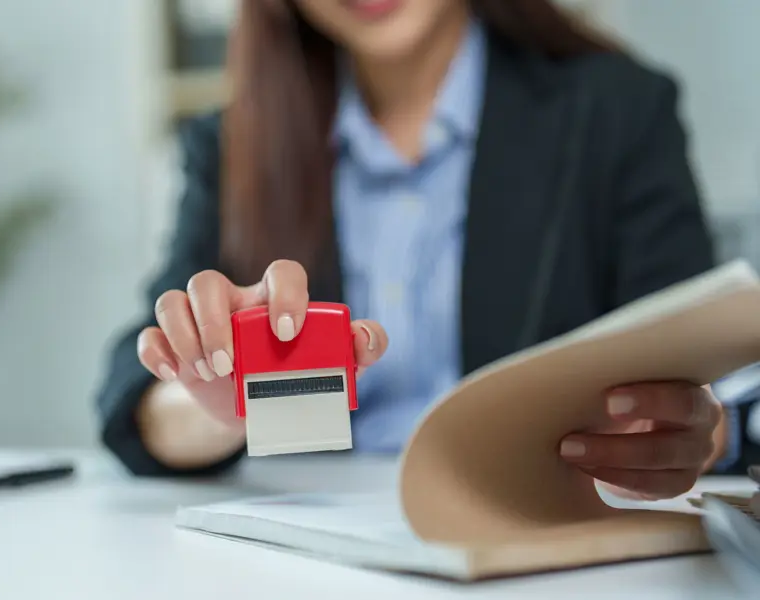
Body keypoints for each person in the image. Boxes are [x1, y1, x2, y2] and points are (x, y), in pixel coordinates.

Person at [96, 0, 743, 499]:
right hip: (306, 545)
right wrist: (223, 404)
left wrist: (687, 433)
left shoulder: (618, 110)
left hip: (537, 535)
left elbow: (699, 381)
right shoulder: (233, 141)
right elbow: (134, 390)